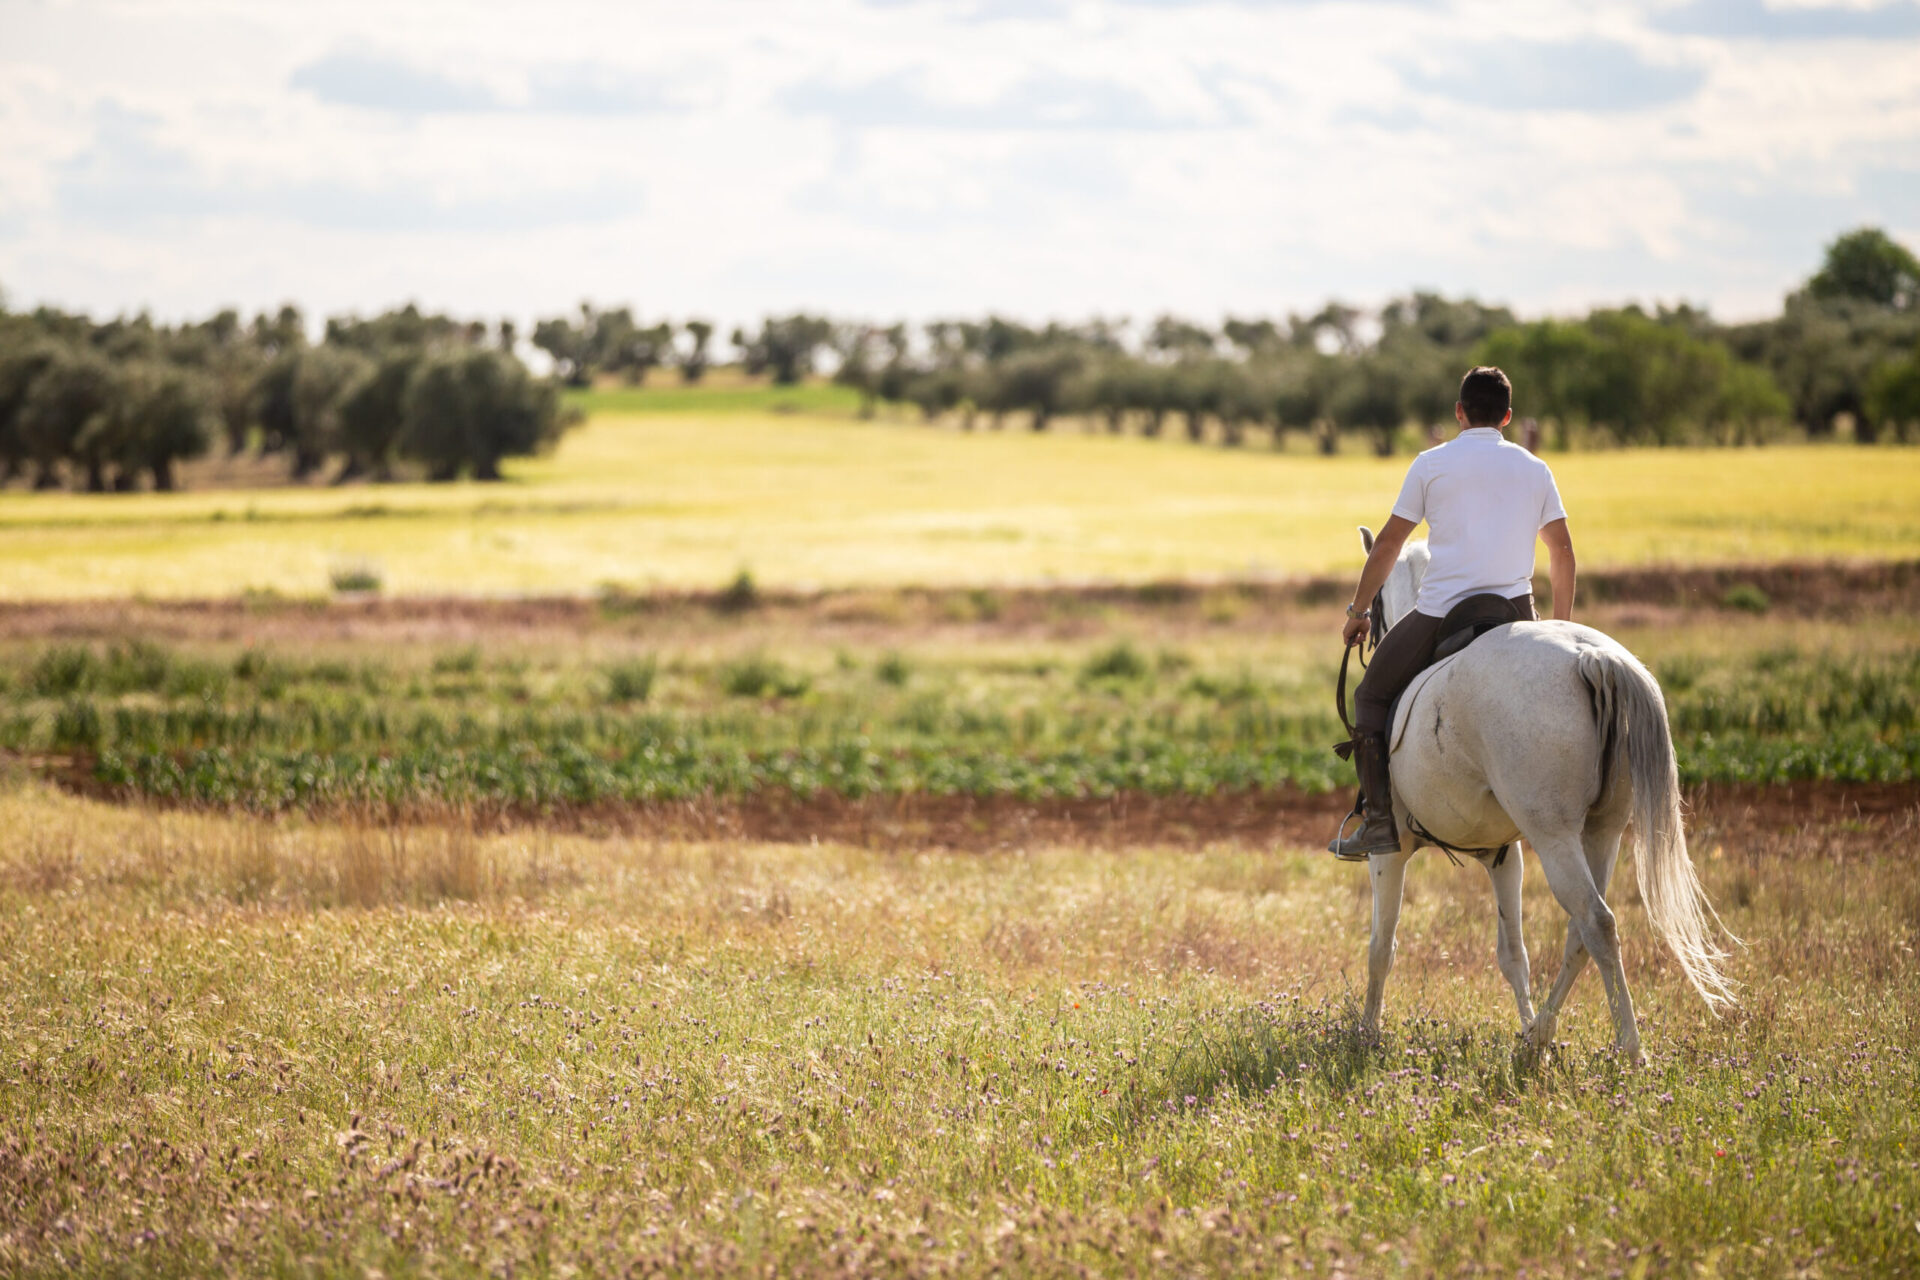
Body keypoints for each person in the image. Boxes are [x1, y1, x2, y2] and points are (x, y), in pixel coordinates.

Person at [1328, 366, 1578, 860]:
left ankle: (1378, 822)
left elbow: (1388, 546)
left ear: (1459, 413)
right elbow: (1563, 552)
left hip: (1442, 612)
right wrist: (1560, 629)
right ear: (1507, 416)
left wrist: (1359, 611)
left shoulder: (1430, 463)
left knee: (1370, 695)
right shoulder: (1535, 468)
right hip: (1516, 612)